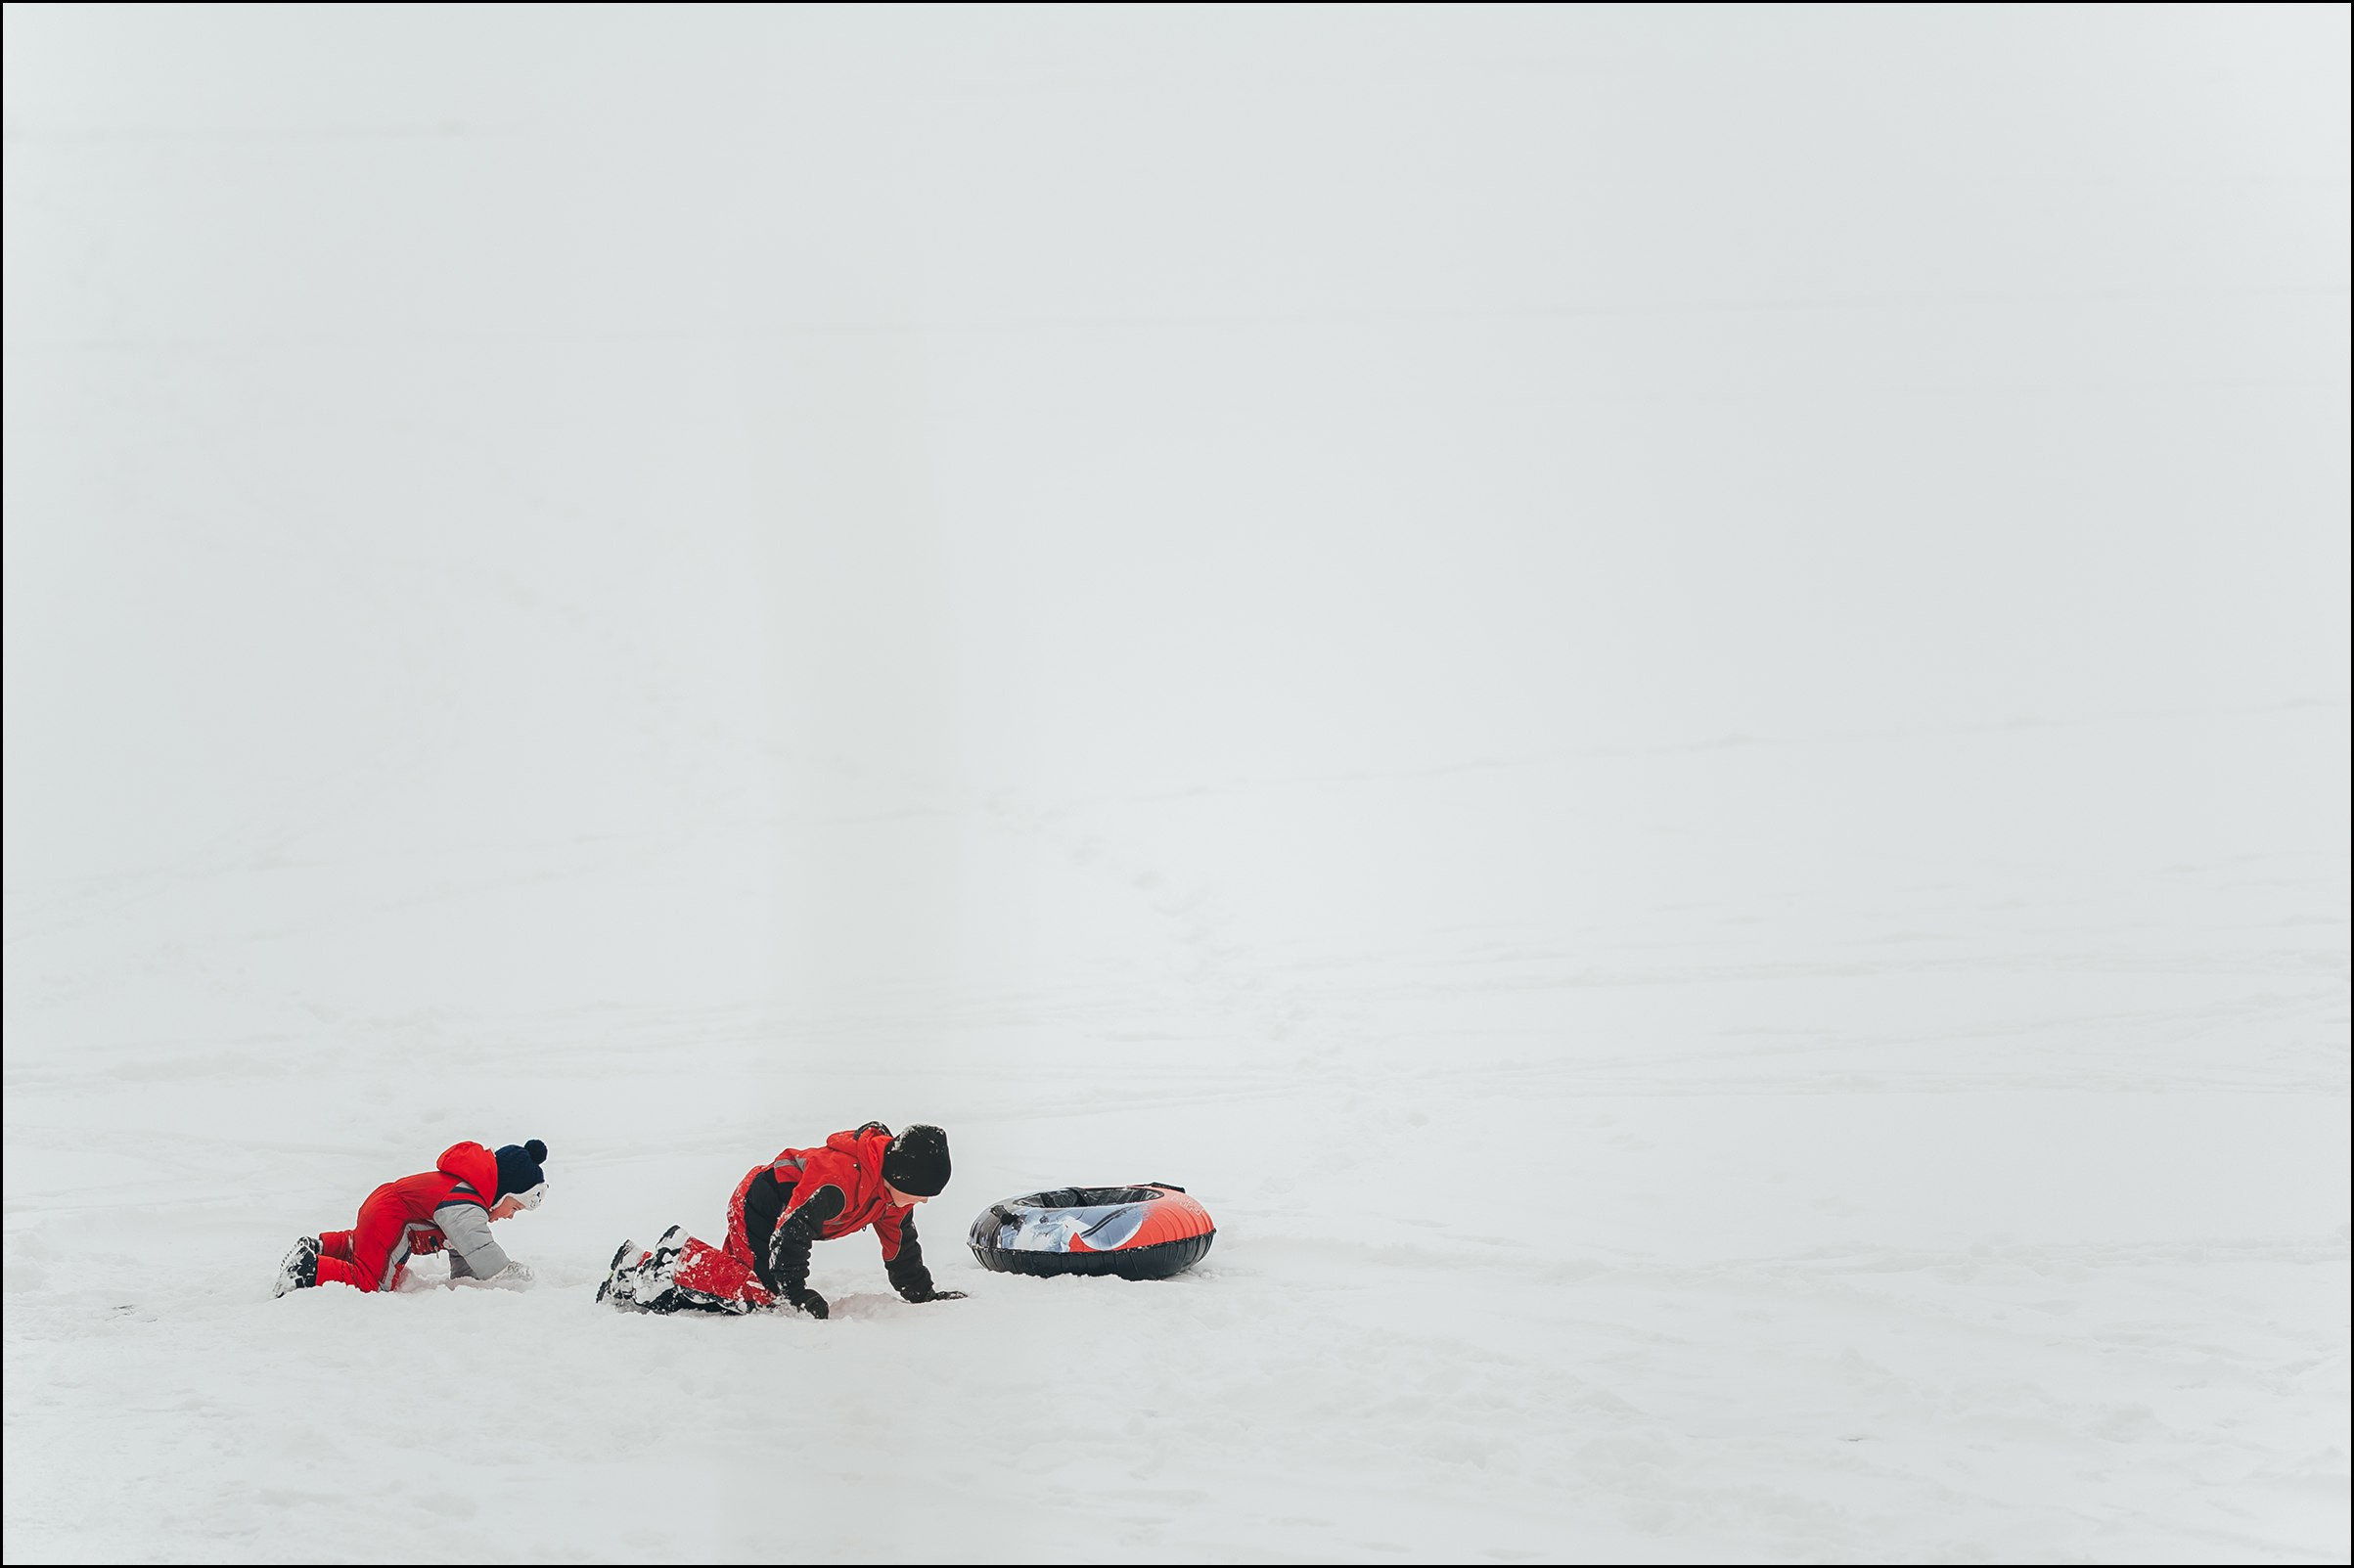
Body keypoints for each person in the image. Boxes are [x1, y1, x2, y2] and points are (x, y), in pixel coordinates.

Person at [602, 1122, 965, 1318]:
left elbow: (901, 1249)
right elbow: (791, 1234)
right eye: (923, 1192)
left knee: (733, 1287)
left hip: (780, 1214)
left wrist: (923, 1295)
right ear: (902, 1177)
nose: (925, 1201)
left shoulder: (892, 1199)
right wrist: (795, 1292)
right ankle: (673, 1262)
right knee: (762, 1295)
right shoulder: (841, 1181)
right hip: (763, 1203)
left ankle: (640, 1273)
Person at [274, 1140, 548, 1295]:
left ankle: (320, 1247)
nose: (510, 1216)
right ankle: (308, 1270)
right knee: (371, 1281)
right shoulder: (466, 1203)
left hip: (384, 1207)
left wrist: (467, 1282)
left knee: (363, 1246)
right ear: (504, 1193)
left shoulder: (464, 1195)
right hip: (391, 1218)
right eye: (514, 1208)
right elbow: (478, 1246)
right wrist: (504, 1272)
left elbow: (463, 1249)